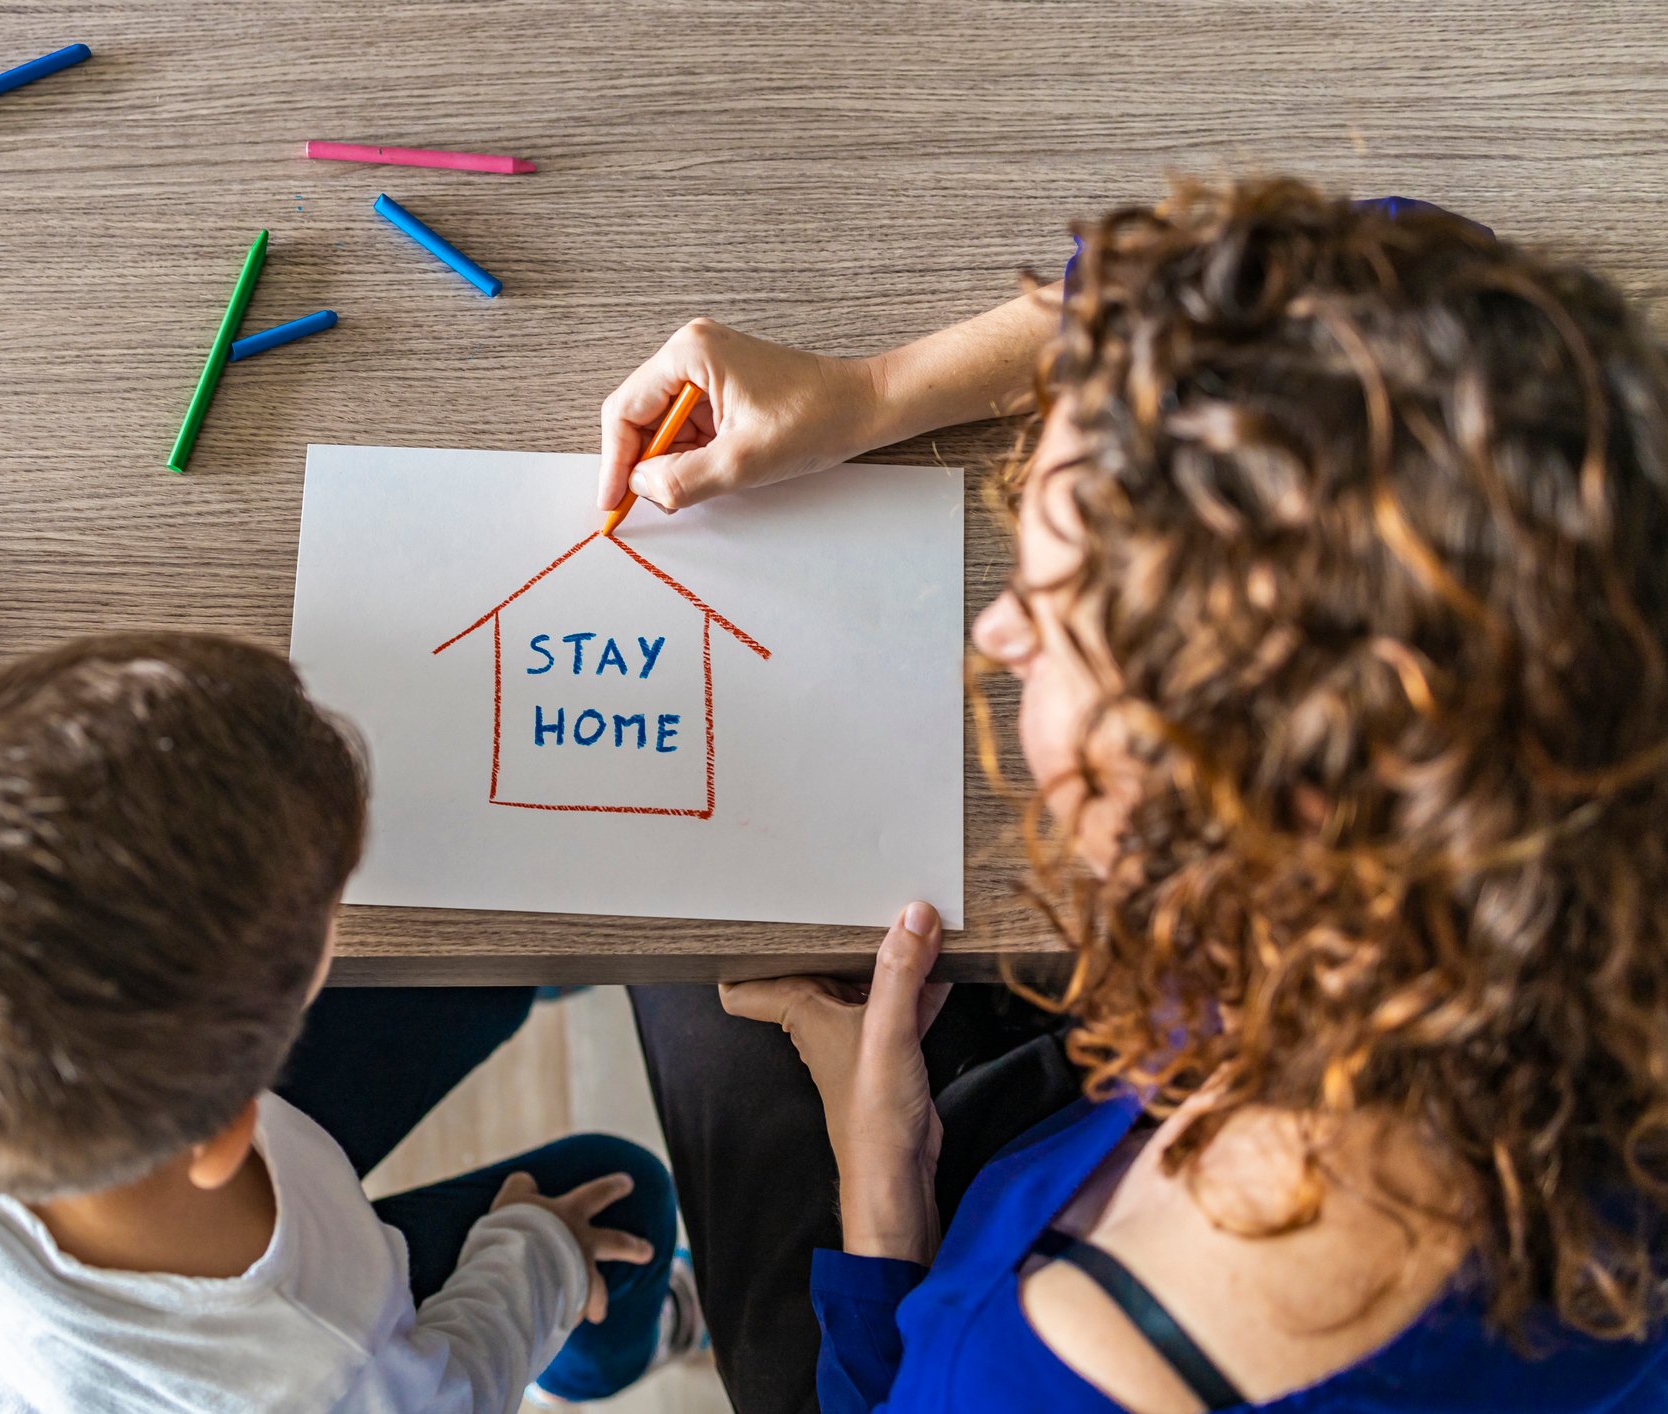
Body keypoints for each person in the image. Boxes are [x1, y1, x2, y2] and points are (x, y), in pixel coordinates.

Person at [605, 178, 1668, 1412]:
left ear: (1256, 804)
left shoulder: (1020, 1372)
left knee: (702, 983)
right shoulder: (1567, 741)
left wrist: (877, 1178)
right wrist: (867, 393)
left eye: (1060, 621)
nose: (997, 630)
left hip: (932, 1289)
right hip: (1149, 1099)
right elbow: (1374, 265)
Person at [0, 534, 701, 1412]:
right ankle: (632, 1345)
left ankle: (534, 977)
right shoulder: (318, 1374)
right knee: (625, 1200)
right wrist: (538, 1258)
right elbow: (456, 1383)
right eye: (323, 909)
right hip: (301, 1306)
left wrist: (33, 815)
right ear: (228, 1120)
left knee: (491, 968)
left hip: (137, 1170)